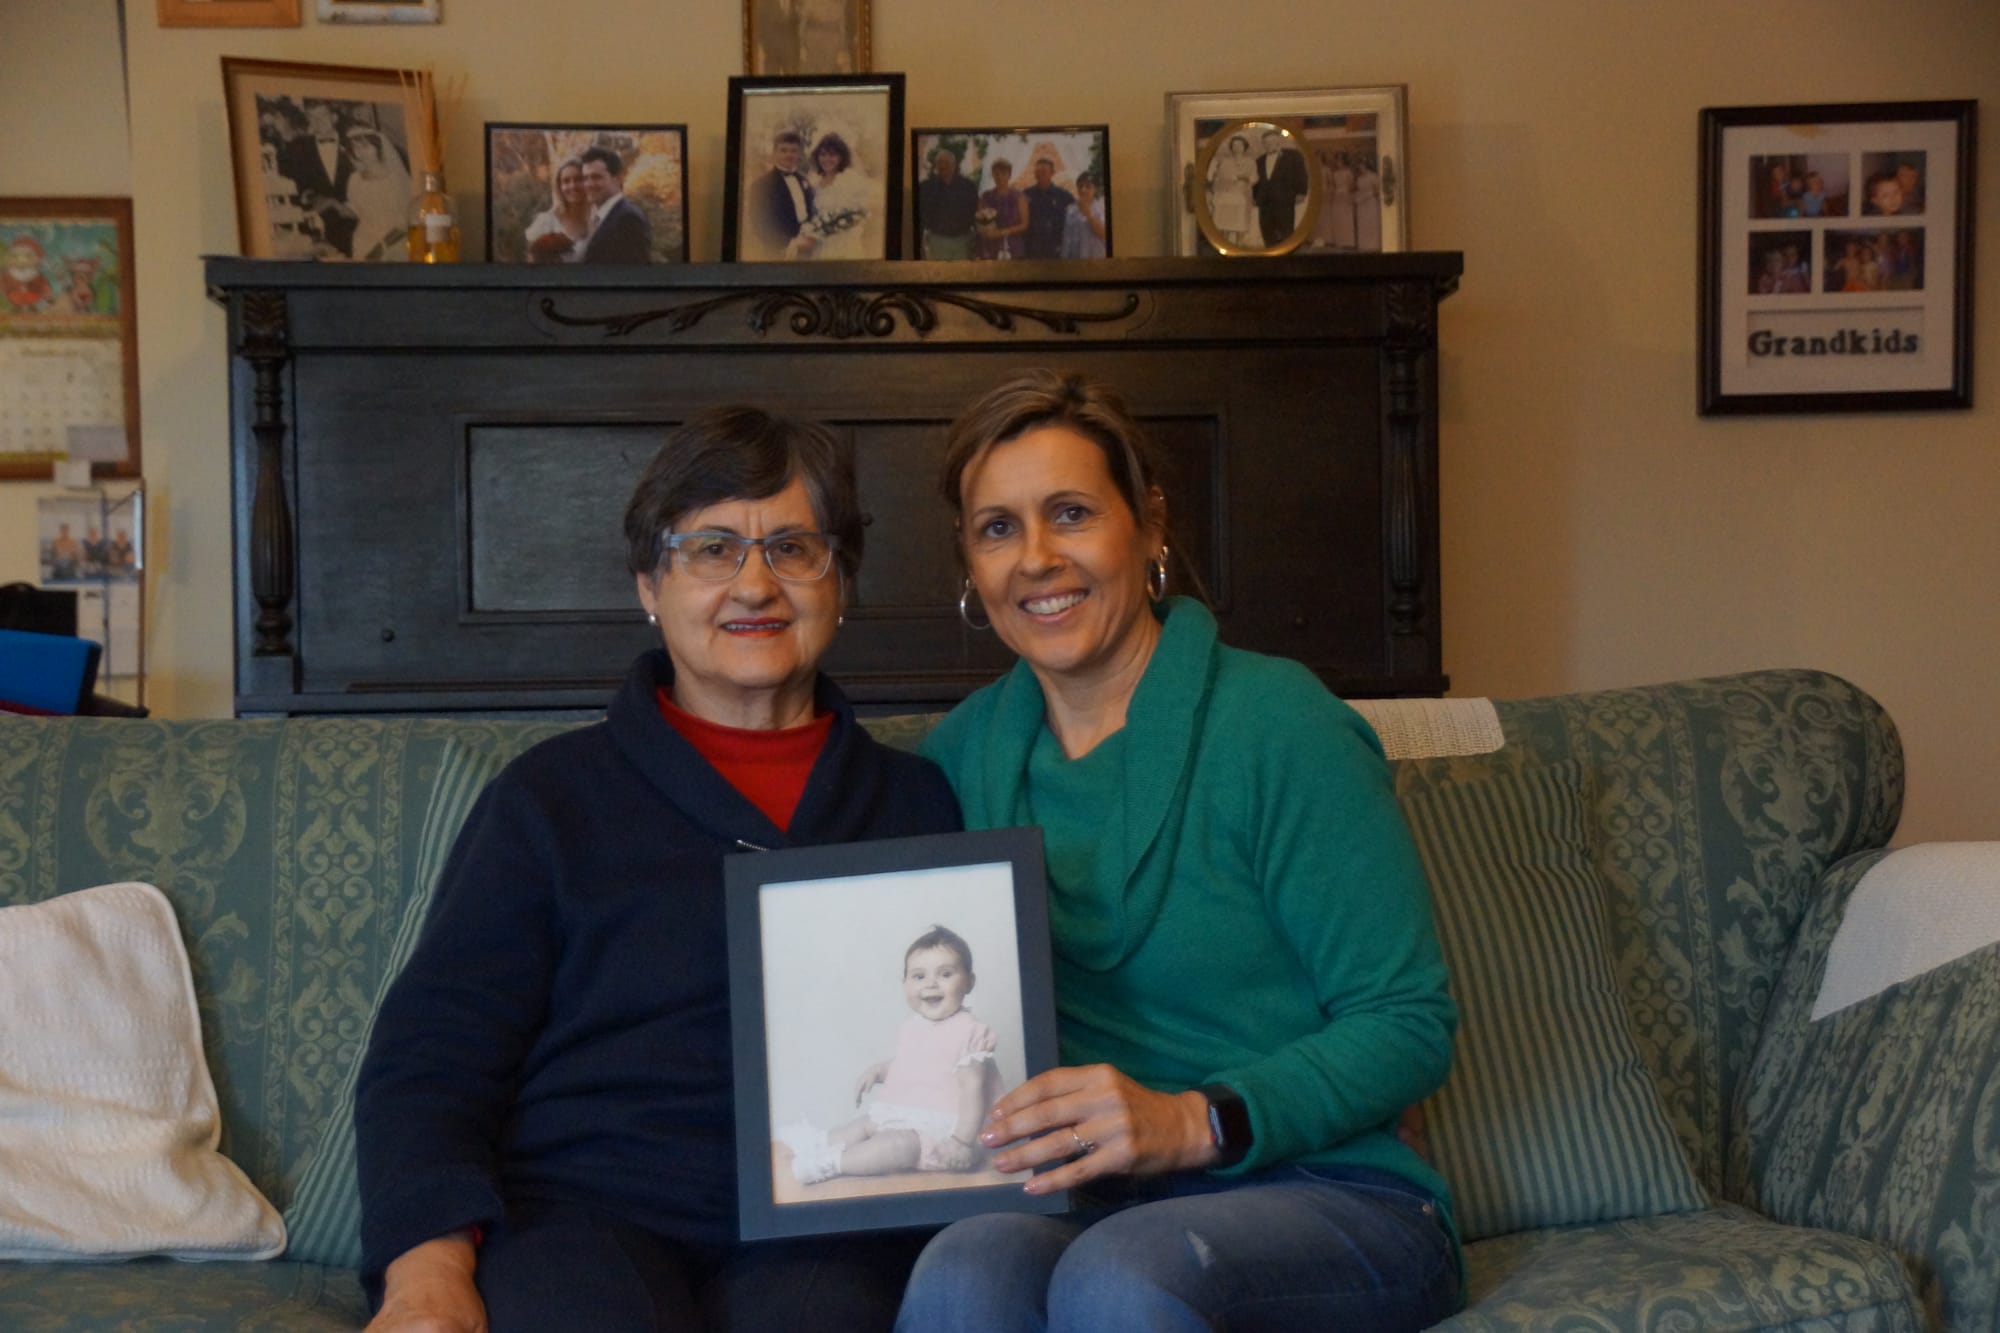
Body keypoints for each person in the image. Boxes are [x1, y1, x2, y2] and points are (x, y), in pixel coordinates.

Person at [355, 407, 965, 1333]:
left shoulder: (920, 803)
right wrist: (425, 1269)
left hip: (828, 1225)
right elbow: (430, 1059)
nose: (754, 583)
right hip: (582, 1215)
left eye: (793, 547)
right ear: (651, 582)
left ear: (840, 584)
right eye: (712, 548)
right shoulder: (549, 800)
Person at [894, 369, 1461, 1333]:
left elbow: (1409, 1020)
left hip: (1330, 1193)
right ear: (969, 564)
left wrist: (1192, 1118)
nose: (1036, 559)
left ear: (1149, 524)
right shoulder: (952, 763)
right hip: (1090, 1202)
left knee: (1124, 1275)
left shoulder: (1279, 725)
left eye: (1070, 513)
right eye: (997, 529)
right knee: (965, 1265)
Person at [780, 925, 1001, 1184]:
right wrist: (880, 1070)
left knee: (898, 1146)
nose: (931, 984)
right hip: (910, 1113)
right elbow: (914, 1063)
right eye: (919, 976)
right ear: (904, 983)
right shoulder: (913, 1026)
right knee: (865, 1124)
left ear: (968, 982)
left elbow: (973, 1090)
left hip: (944, 1131)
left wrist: (961, 1141)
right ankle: (819, 1143)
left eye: (945, 974)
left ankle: (833, 1163)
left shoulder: (969, 1032)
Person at [280, 100, 358, 256]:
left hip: (358, 220)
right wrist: (314, 198)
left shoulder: (354, 143)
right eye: (312, 117)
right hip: (319, 225)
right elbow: (297, 187)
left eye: (322, 116)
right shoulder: (298, 149)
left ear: (334, 117)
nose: (318, 122)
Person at [796, 132, 873, 260]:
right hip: (819, 244)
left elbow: (859, 213)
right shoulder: (815, 183)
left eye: (832, 155)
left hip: (844, 242)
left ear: (841, 157)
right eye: (823, 154)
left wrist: (831, 230)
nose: (826, 159)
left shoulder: (851, 179)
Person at [342, 126, 412, 262]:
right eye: (356, 148)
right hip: (363, 241)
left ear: (378, 148)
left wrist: (380, 247)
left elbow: (403, 222)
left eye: (366, 147)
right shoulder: (354, 179)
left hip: (393, 242)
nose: (361, 152)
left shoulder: (396, 179)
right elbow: (357, 210)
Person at [746, 130, 816, 261]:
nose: (789, 155)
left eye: (793, 150)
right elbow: (759, 224)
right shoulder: (761, 185)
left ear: (799, 154)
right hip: (779, 253)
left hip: (807, 250)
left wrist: (810, 237)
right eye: (783, 150)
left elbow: (811, 213)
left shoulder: (804, 180)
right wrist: (789, 244)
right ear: (774, 153)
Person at [578, 145, 654, 264]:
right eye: (585, 178)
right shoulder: (598, 217)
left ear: (618, 178)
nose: (589, 184)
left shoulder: (628, 219)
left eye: (596, 177)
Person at [523, 155, 592, 263]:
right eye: (566, 181)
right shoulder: (546, 222)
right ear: (559, 187)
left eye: (578, 179)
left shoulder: (600, 219)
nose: (572, 185)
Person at [919, 147, 980, 260]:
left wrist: (978, 242)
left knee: (963, 276)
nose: (943, 166)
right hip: (937, 241)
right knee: (939, 276)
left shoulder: (968, 186)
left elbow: (975, 213)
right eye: (939, 163)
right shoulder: (926, 187)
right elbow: (921, 216)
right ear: (935, 166)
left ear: (954, 164)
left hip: (963, 241)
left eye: (946, 162)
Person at [1252, 129, 1308, 248]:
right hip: (1265, 202)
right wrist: (1254, 197)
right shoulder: (1259, 160)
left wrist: (1301, 192)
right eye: (1266, 142)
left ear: (1279, 142)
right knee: (1267, 232)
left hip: (1285, 200)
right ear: (1263, 144)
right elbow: (1256, 181)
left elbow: (1301, 174)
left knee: (1286, 231)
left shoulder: (1293, 155)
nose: (1269, 144)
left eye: (1272, 141)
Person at [1204, 136, 1255, 247]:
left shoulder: (1250, 162)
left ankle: (1239, 249)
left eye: (1240, 145)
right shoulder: (1225, 161)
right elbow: (1218, 177)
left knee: (1240, 225)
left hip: (1241, 197)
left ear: (1244, 147)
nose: (1237, 148)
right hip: (1226, 196)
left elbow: (1254, 178)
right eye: (1234, 145)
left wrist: (1244, 178)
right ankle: (1225, 249)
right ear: (1231, 147)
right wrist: (1227, 179)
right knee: (1224, 225)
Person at [1020, 158, 1074, 261]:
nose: (1040, 174)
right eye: (1037, 171)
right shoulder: (1026, 194)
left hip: (1056, 249)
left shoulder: (1063, 195)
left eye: (1044, 171)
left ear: (1052, 173)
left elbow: (1074, 218)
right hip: (1032, 249)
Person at [975, 158, 1027, 260]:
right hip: (990, 247)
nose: (1000, 177)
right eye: (996, 174)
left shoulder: (1019, 197)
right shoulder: (985, 197)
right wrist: (986, 231)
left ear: (1009, 175)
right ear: (993, 175)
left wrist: (1003, 232)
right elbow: (979, 222)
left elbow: (1024, 225)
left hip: (1013, 247)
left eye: (1003, 173)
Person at [1058, 172, 1107, 260]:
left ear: (1095, 189)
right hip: (1075, 261)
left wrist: (1089, 215)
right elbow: (1066, 238)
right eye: (1080, 186)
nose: (1083, 189)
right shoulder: (1070, 209)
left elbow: (1104, 235)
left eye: (1088, 186)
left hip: (1096, 260)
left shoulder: (1102, 208)